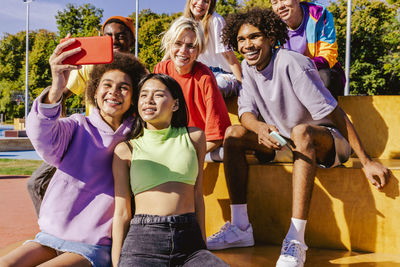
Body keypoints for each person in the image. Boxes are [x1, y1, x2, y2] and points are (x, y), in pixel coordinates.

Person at [206, 8, 391, 267]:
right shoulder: (248, 68)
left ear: (271, 37)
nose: (247, 45)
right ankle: (240, 228)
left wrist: (367, 160)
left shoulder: (293, 63)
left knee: (301, 131)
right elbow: (246, 113)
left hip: (326, 140)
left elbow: (336, 115)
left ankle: (296, 240)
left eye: (255, 37)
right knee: (234, 134)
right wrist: (259, 128)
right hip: (284, 139)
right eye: (241, 39)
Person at [0, 40, 147, 267]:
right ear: (95, 91)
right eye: (106, 85)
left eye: (124, 87)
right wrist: (57, 87)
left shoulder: (137, 137)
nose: (114, 92)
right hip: (51, 236)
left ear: (133, 96)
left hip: (94, 244)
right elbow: (41, 134)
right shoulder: (77, 126)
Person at [112, 73, 229, 266]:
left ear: (175, 104)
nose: (149, 100)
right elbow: (122, 213)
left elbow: (198, 195)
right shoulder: (126, 150)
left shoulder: (194, 138)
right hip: (143, 242)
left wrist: (203, 246)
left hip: (190, 242)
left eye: (158, 94)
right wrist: (115, 264)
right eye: (143, 95)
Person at [26, 15, 136, 216]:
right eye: (108, 35)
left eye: (121, 36)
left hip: (121, 142)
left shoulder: (138, 72)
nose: (114, 40)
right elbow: (63, 93)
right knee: (36, 183)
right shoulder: (90, 66)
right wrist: (59, 121)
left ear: (132, 40)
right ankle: (50, 230)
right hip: (88, 142)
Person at [154, 16, 231, 161]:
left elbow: (216, 136)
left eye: (191, 46)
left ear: (198, 50)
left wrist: (187, 156)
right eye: (178, 43)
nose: (183, 51)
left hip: (197, 146)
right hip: (168, 144)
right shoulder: (161, 69)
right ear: (170, 45)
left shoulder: (205, 78)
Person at [271, 0, 345, 99]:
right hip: (290, 78)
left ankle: (328, 113)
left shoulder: (319, 15)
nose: (280, 6)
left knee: (326, 76)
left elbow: (328, 54)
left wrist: (301, 68)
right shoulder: (272, 27)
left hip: (318, 73)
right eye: (274, 2)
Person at [183, 0, 242, 98]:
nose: (200, 3)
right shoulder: (184, 22)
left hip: (223, 74)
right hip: (200, 74)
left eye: (206, 1)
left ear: (211, 5)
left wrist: (243, 85)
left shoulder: (216, 20)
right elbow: (171, 51)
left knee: (212, 87)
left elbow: (228, 55)